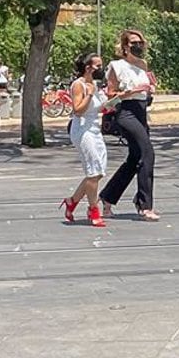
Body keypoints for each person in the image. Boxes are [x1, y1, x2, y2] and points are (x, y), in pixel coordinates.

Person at [101, 29, 159, 220]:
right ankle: (145, 205)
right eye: (134, 42)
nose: (139, 46)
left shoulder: (143, 65)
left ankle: (108, 197)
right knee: (147, 153)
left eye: (141, 43)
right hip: (125, 112)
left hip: (141, 111)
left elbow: (146, 91)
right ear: (125, 46)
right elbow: (109, 94)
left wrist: (150, 89)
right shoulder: (116, 66)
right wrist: (130, 91)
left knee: (134, 159)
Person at [62, 48, 109, 227]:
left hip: (95, 129)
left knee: (98, 172)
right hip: (83, 131)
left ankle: (72, 201)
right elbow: (78, 110)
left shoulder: (96, 85)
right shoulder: (79, 85)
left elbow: (99, 107)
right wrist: (89, 94)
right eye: (98, 65)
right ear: (88, 67)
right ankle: (93, 209)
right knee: (93, 170)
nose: (101, 69)